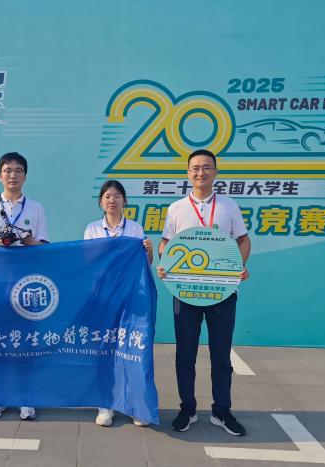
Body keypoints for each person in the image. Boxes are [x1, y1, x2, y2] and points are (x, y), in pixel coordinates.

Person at [156, 149, 251, 436]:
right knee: (185, 355)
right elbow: (166, 244)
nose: (201, 172)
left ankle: (222, 410)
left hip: (221, 293)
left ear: (216, 172)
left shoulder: (229, 205)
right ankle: (187, 408)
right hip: (185, 292)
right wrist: (165, 263)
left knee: (221, 355)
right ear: (188, 173)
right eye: (195, 168)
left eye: (207, 167)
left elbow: (243, 240)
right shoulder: (176, 208)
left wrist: (238, 267)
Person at [0, 152, 49, 421]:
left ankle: (26, 397)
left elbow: (44, 247)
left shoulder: (36, 208)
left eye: (18, 170)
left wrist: (28, 242)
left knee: (25, 340)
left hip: (26, 283)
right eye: (7, 170)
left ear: (25, 176)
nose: (12, 175)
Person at [83, 180, 153, 428]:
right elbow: (88, 262)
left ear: (124, 201)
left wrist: (148, 250)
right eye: (107, 196)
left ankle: (136, 406)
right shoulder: (92, 229)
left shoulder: (135, 228)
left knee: (131, 350)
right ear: (101, 202)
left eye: (117, 196)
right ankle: (106, 406)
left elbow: (145, 265)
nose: (112, 200)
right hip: (103, 298)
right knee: (104, 350)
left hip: (130, 298)